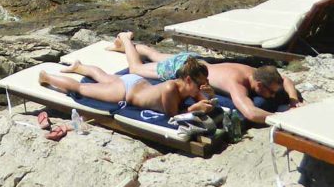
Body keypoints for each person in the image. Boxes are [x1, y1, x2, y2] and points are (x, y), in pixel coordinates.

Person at [109, 32, 301, 125]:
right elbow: (250, 113)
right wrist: (281, 118)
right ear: (259, 84)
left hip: (196, 62)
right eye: (270, 91)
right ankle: (126, 39)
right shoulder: (236, 83)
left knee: (156, 56)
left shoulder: (257, 72)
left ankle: (131, 47)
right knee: (136, 68)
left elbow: (285, 79)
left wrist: (292, 100)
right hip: (182, 69)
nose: (273, 95)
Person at [37, 54, 213, 117]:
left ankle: (80, 67)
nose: (203, 87)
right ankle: (46, 77)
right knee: (81, 89)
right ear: (189, 80)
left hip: (136, 82)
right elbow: (172, 115)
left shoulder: (189, 88)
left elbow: (206, 100)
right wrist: (194, 109)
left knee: (106, 77)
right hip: (125, 91)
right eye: (201, 84)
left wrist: (209, 95)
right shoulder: (170, 89)